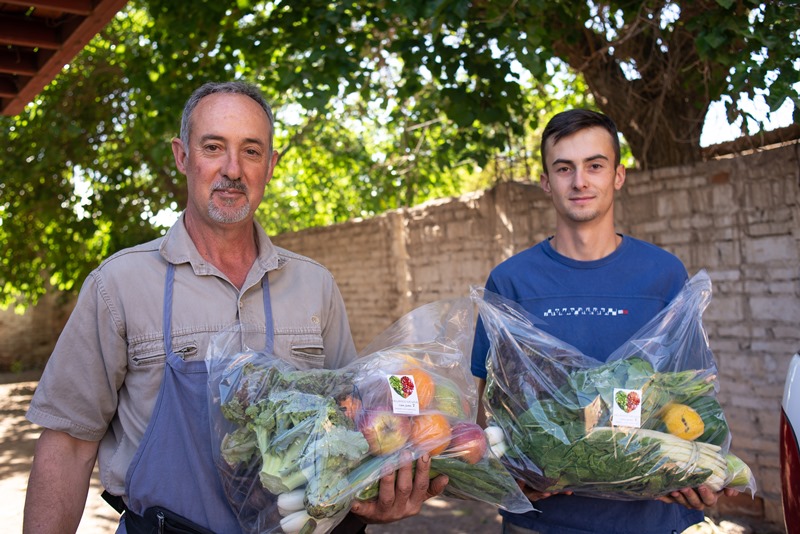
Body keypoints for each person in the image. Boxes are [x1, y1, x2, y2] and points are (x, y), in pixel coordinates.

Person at [23, 81, 447, 534]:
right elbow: (67, 445)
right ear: (182, 156)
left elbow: (352, 420)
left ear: (270, 166)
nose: (232, 169)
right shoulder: (119, 285)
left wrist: (378, 490)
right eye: (213, 147)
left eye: (250, 151)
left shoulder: (314, 285)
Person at [470, 109, 738, 534]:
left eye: (595, 165)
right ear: (545, 181)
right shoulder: (511, 281)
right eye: (564, 168)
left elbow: (692, 393)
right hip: (541, 523)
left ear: (618, 175)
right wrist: (507, 471)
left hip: (654, 518)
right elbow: (490, 405)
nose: (580, 181)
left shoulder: (663, 273)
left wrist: (701, 468)